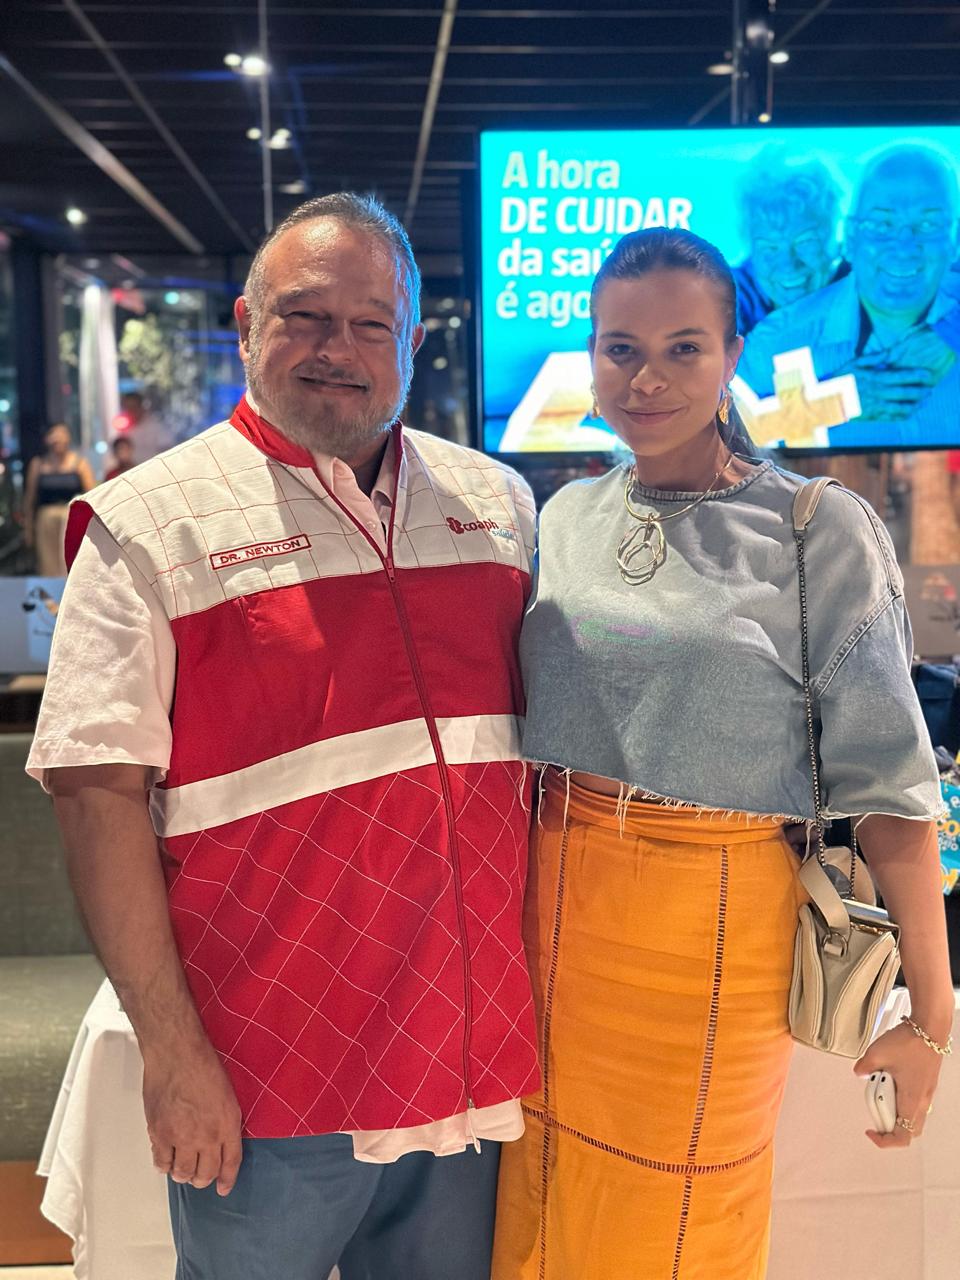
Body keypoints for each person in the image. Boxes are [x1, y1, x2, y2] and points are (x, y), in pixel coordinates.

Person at [27, 193, 540, 1280]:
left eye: (370, 324)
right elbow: (94, 794)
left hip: (470, 1054)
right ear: (248, 323)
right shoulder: (148, 522)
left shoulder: (498, 503)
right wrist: (172, 1052)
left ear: (411, 339)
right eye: (305, 316)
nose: (336, 349)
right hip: (268, 1070)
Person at [493, 227, 953, 1279]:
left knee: (679, 1228)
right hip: (550, 915)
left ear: (734, 353)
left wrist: (930, 1017)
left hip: (712, 934)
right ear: (590, 354)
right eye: (620, 349)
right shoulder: (565, 516)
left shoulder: (814, 528)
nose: (646, 378)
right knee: (540, 1217)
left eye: (683, 348)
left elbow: (891, 790)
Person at [739, 144, 960, 448]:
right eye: (881, 225)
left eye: (928, 225)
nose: (904, 246)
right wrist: (840, 400)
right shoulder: (768, 341)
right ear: (853, 237)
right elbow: (725, 440)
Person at [731, 145, 847, 334]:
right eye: (770, 248)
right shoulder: (725, 297)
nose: (788, 265)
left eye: (806, 242)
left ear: (835, 241)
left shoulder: (869, 285)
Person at [22, 422, 94, 575]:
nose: (57, 439)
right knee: (48, 563)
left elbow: (91, 495)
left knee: (73, 562)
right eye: (53, 435)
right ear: (47, 439)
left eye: (61, 435)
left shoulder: (80, 463)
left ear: (68, 438)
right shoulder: (38, 464)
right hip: (46, 519)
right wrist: (28, 527)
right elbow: (30, 498)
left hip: (71, 518)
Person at [117, 390, 175, 463]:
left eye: (134, 407)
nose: (131, 411)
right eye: (128, 408)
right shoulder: (125, 428)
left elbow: (167, 449)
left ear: (141, 407)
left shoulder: (155, 426)